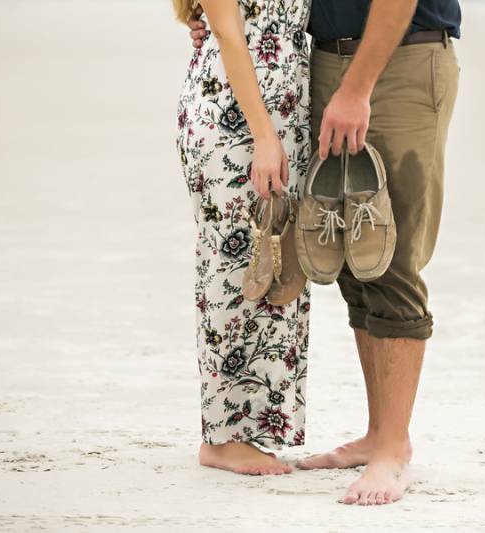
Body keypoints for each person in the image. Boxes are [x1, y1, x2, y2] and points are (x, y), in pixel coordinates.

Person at [188, 0, 461, 505]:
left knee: (390, 252)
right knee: (351, 256)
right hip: (320, 67)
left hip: (398, 61)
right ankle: (378, 434)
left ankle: (392, 447)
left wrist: (356, 89)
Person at [175, 0, 312, 475]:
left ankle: (253, 426)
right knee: (231, 267)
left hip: (282, 113)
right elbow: (231, 36)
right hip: (235, 120)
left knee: (275, 263)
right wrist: (263, 134)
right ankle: (221, 437)